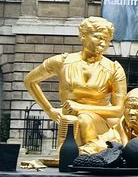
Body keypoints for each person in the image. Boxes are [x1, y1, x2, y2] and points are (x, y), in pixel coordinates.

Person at [25, 16, 127, 148]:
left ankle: (90, 153)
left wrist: (81, 108)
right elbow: (30, 81)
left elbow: (119, 110)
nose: (103, 43)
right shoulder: (62, 62)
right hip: (71, 121)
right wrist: (50, 110)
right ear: (83, 36)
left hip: (101, 122)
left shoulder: (114, 68)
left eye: (107, 40)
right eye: (99, 37)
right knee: (77, 121)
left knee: (83, 118)